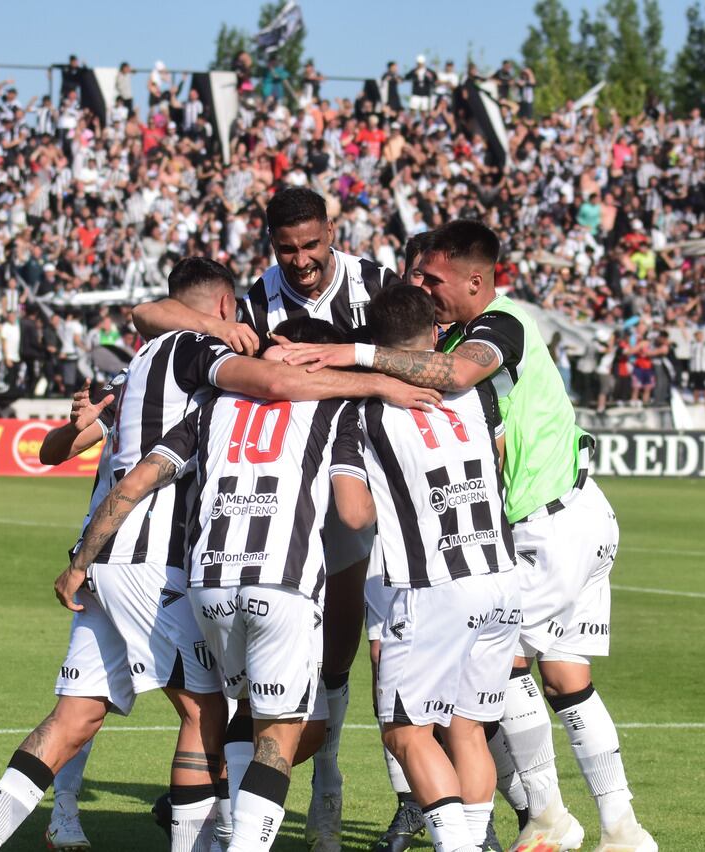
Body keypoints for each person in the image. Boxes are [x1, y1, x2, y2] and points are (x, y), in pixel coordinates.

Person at [25, 259, 437, 851]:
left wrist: (80, 559)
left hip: (189, 573)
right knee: (255, 720)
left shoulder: (196, 389)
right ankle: (217, 827)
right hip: (203, 568)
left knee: (110, 708)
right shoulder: (226, 374)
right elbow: (62, 445)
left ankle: (174, 819)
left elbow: (131, 455)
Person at [280, 220, 656, 852]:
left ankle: (543, 816)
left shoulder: (500, 325)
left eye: (433, 277)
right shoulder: (457, 338)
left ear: (475, 280)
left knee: (487, 689)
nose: (422, 287)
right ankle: (621, 828)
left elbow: (451, 375)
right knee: (565, 678)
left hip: (541, 526)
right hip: (568, 512)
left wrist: (355, 357)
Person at [132, 188, 405, 849]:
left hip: (365, 474)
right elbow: (147, 313)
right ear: (271, 245)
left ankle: (340, 791)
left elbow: (424, 344)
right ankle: (250, 811)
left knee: (359, 660)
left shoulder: (375, 283)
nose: (303, 260)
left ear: (331, 234)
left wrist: (363, 367)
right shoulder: (257, 297)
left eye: (313, 246)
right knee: (276, 685)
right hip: (285, 495)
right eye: (288, 249)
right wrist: (219, 329)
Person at [64, 316, 370, 852]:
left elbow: (133, 482)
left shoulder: (213, 409)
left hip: (209, 586)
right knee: (280, 735)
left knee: (243, 712)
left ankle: (222, 831)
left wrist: (80, 560)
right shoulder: (336, 406)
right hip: (282, 584)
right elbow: (353, 513)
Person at [351, 285, 521, 852]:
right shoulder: (479, 395)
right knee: (467, 727)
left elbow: (354, 513)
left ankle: (458, 847)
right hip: (498, 575)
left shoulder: (362, 412)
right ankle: (474, 840)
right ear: (433, 336)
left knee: (405, 731)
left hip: (433, 587)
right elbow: (497, 463)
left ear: (376, 343)